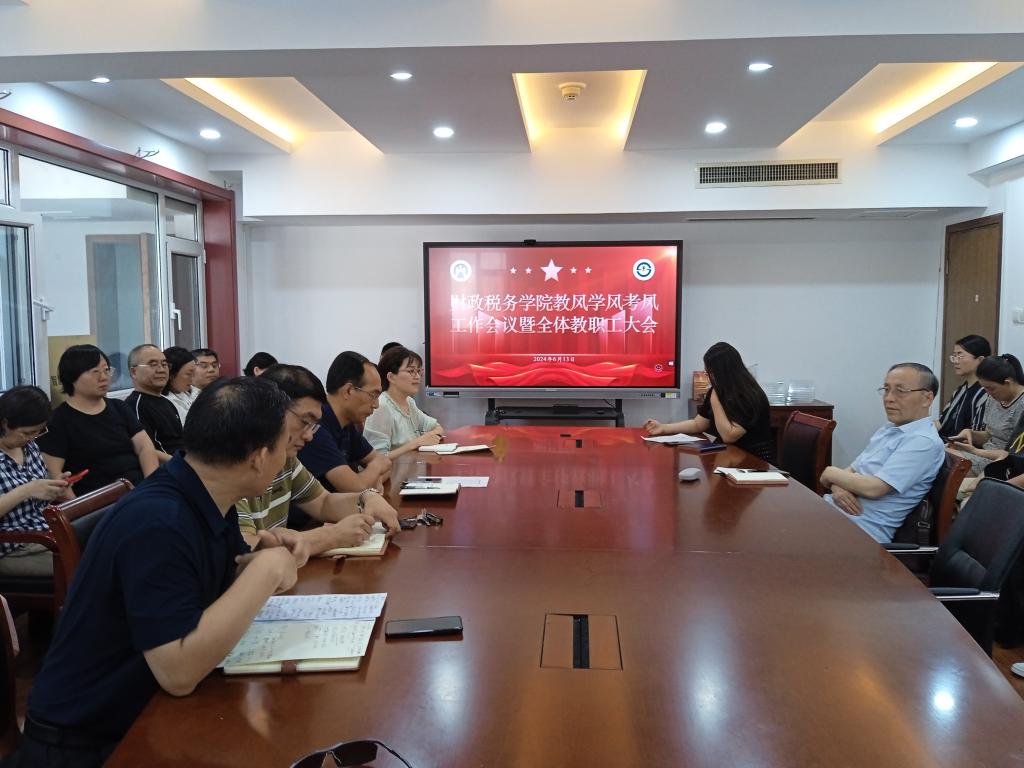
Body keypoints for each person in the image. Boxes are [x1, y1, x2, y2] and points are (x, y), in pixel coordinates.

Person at [8, 378, 308, 766]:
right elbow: (177, 673)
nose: (287, 458)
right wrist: (264, 571)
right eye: (285, 446)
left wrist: (261, 563)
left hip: (144, 712)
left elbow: (218, 587)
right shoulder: (159, 521)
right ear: (258, 456)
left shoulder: (207, 494)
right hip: (90, 744)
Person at [235, 364, 400, 555]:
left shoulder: (287, 460)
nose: (309, 436)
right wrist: (332, 536)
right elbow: (248, 549)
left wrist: (366, 498)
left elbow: (322, 502)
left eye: (313, 426)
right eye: (305, 422)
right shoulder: (234, 467)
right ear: (270, 414)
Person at [820, 363, 945, 543]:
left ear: (927, 398)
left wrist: (830, 472)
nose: (889, 399)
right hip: (834, 514)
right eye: (886, 390)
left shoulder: (923, 441)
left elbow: (874, 488)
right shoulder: (889, 430)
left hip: (861, 531)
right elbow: (852, 470)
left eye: (900, 391)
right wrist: (836, 487)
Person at [37, 345, 159, 496]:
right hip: (97, 502)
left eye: (106, 370)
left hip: (139, 491)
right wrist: (79, 507)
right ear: (72, 376)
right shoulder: (58, 421)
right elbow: (55, 476)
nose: (104, 377)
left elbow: (144, 447)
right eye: (95, 371)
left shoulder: (119, 407)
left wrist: (151, 487)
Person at [643, 341, 774, 462]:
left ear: (722, 372)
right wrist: (664, 428)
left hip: (754, 463)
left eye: (709, 373)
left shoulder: (749, 395)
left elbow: (729, 436)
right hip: (729, 459)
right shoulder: (718, 390)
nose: (708, 377)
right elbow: (698, 424)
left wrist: (716, 398)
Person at [297, 351, 392, 493]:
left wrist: (372, 480)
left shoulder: (346, 424)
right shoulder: (315, 429)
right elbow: (354, 487)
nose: (376, 405)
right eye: (373, 395)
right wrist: (375, 468)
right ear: (348, 391)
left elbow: (386, 465)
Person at [0, 386, 69, 577]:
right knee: (87, 567)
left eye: (37, 432)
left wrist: (53, 488)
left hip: (46, 535)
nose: (31, 438)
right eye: (26, 432)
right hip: (13, 548)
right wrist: (27, 490)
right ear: (5, 423)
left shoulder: (29, 448)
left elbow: (38, 501)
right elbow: (29, 490)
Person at [947, 354, 1024, 476]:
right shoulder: (994, 398)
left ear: (1008, 382)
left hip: (1002, 462)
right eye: (985, 389)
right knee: (942, 451)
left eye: (991, 388)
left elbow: (1014, 454)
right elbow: (990, 435)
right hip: (983, 452)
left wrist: (976, 451)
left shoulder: (1021, 405)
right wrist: (971, 433)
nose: (988, 393)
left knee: (945, 460)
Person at [364, 346, 445, 458]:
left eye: (418, 371)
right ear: (391, 377)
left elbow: (437, 427)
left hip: (412, 466)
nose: (417, 377)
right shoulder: (382, 407)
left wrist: (427, 437)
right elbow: (377, 459)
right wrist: (417, 442)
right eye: (411, 371)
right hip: (393, 469)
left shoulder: (409, 402)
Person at [124, 344, 184, 462]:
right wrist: (184, 465)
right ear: (134, 372)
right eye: (153, 364)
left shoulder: (167, 402)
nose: (161, 370)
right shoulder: (135, 405)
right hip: (170, 467)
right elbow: (145, 450)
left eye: (164, 364)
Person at [935, 334, 991, 439]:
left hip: (962, 446)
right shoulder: (960, 390)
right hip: (946, 442)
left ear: (980, 360)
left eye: (960, 356)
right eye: (954, 356)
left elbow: (977, 434)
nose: (956, 361)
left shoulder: (986, 392)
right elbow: (942, 422)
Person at [163, 346, 198, 425]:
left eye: (194, 373)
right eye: (189, 374)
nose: (193, 378)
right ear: (171, 374)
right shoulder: (164, 402)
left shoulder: (194, 392)